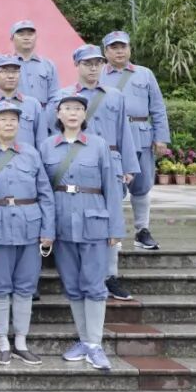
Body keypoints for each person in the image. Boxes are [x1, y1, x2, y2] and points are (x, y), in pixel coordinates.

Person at [48, 45, 140, 301]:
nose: (92, 68)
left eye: (97, 63)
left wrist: (129, 166)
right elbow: (51, 132)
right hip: (75, 165)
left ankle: (110, 275)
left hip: (111, 162)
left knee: (109, 219)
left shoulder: (114, 95)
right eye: (87, 63)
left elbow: (124, 131)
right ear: (76, 65)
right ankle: (78, 275)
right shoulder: (63, 96)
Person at [0, 103, 54, 366]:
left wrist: (48, 230)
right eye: (3, 119)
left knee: (26, 286)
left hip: (30, 227)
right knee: (0, 285)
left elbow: (45, 194)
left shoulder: (31, 153)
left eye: (13, 119)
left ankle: (21, 341)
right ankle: (3, 339)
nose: (9, 124)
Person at [40, 94, 124, 372]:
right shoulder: (47, 147)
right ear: (58, 114)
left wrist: (115, 228)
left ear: (84, 115)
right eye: (67, 109)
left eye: (78, 109)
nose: (73, 113)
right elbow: (43, 191)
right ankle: (85, 340)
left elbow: (112, 188)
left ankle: (95, 344)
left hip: (94, 221)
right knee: (72, 284)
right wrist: (46, 229)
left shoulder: (98, 145)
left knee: (94, 284)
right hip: (62, 221)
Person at [100, 30, 170, 251]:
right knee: (113, 185)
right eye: (114, 47)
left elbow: (157, 107)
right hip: (111, 137)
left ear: (130, 49)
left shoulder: (145, 74)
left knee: (142, 184)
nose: (119, 51)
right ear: (106, 52)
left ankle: (142, 231)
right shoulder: (98, 74)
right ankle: (114, 232)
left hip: (141, 135)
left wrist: (161, 137)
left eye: (123, 47)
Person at [9, 20, 60, 109]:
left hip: (43, 113)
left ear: (36, 37)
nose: (26, 38)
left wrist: (45, 115)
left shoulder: (48, 65)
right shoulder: (5, 66)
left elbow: (55, 97)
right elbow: (1, 96)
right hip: (16, 113)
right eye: (21, 35)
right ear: (12, 38)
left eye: (30, 34)